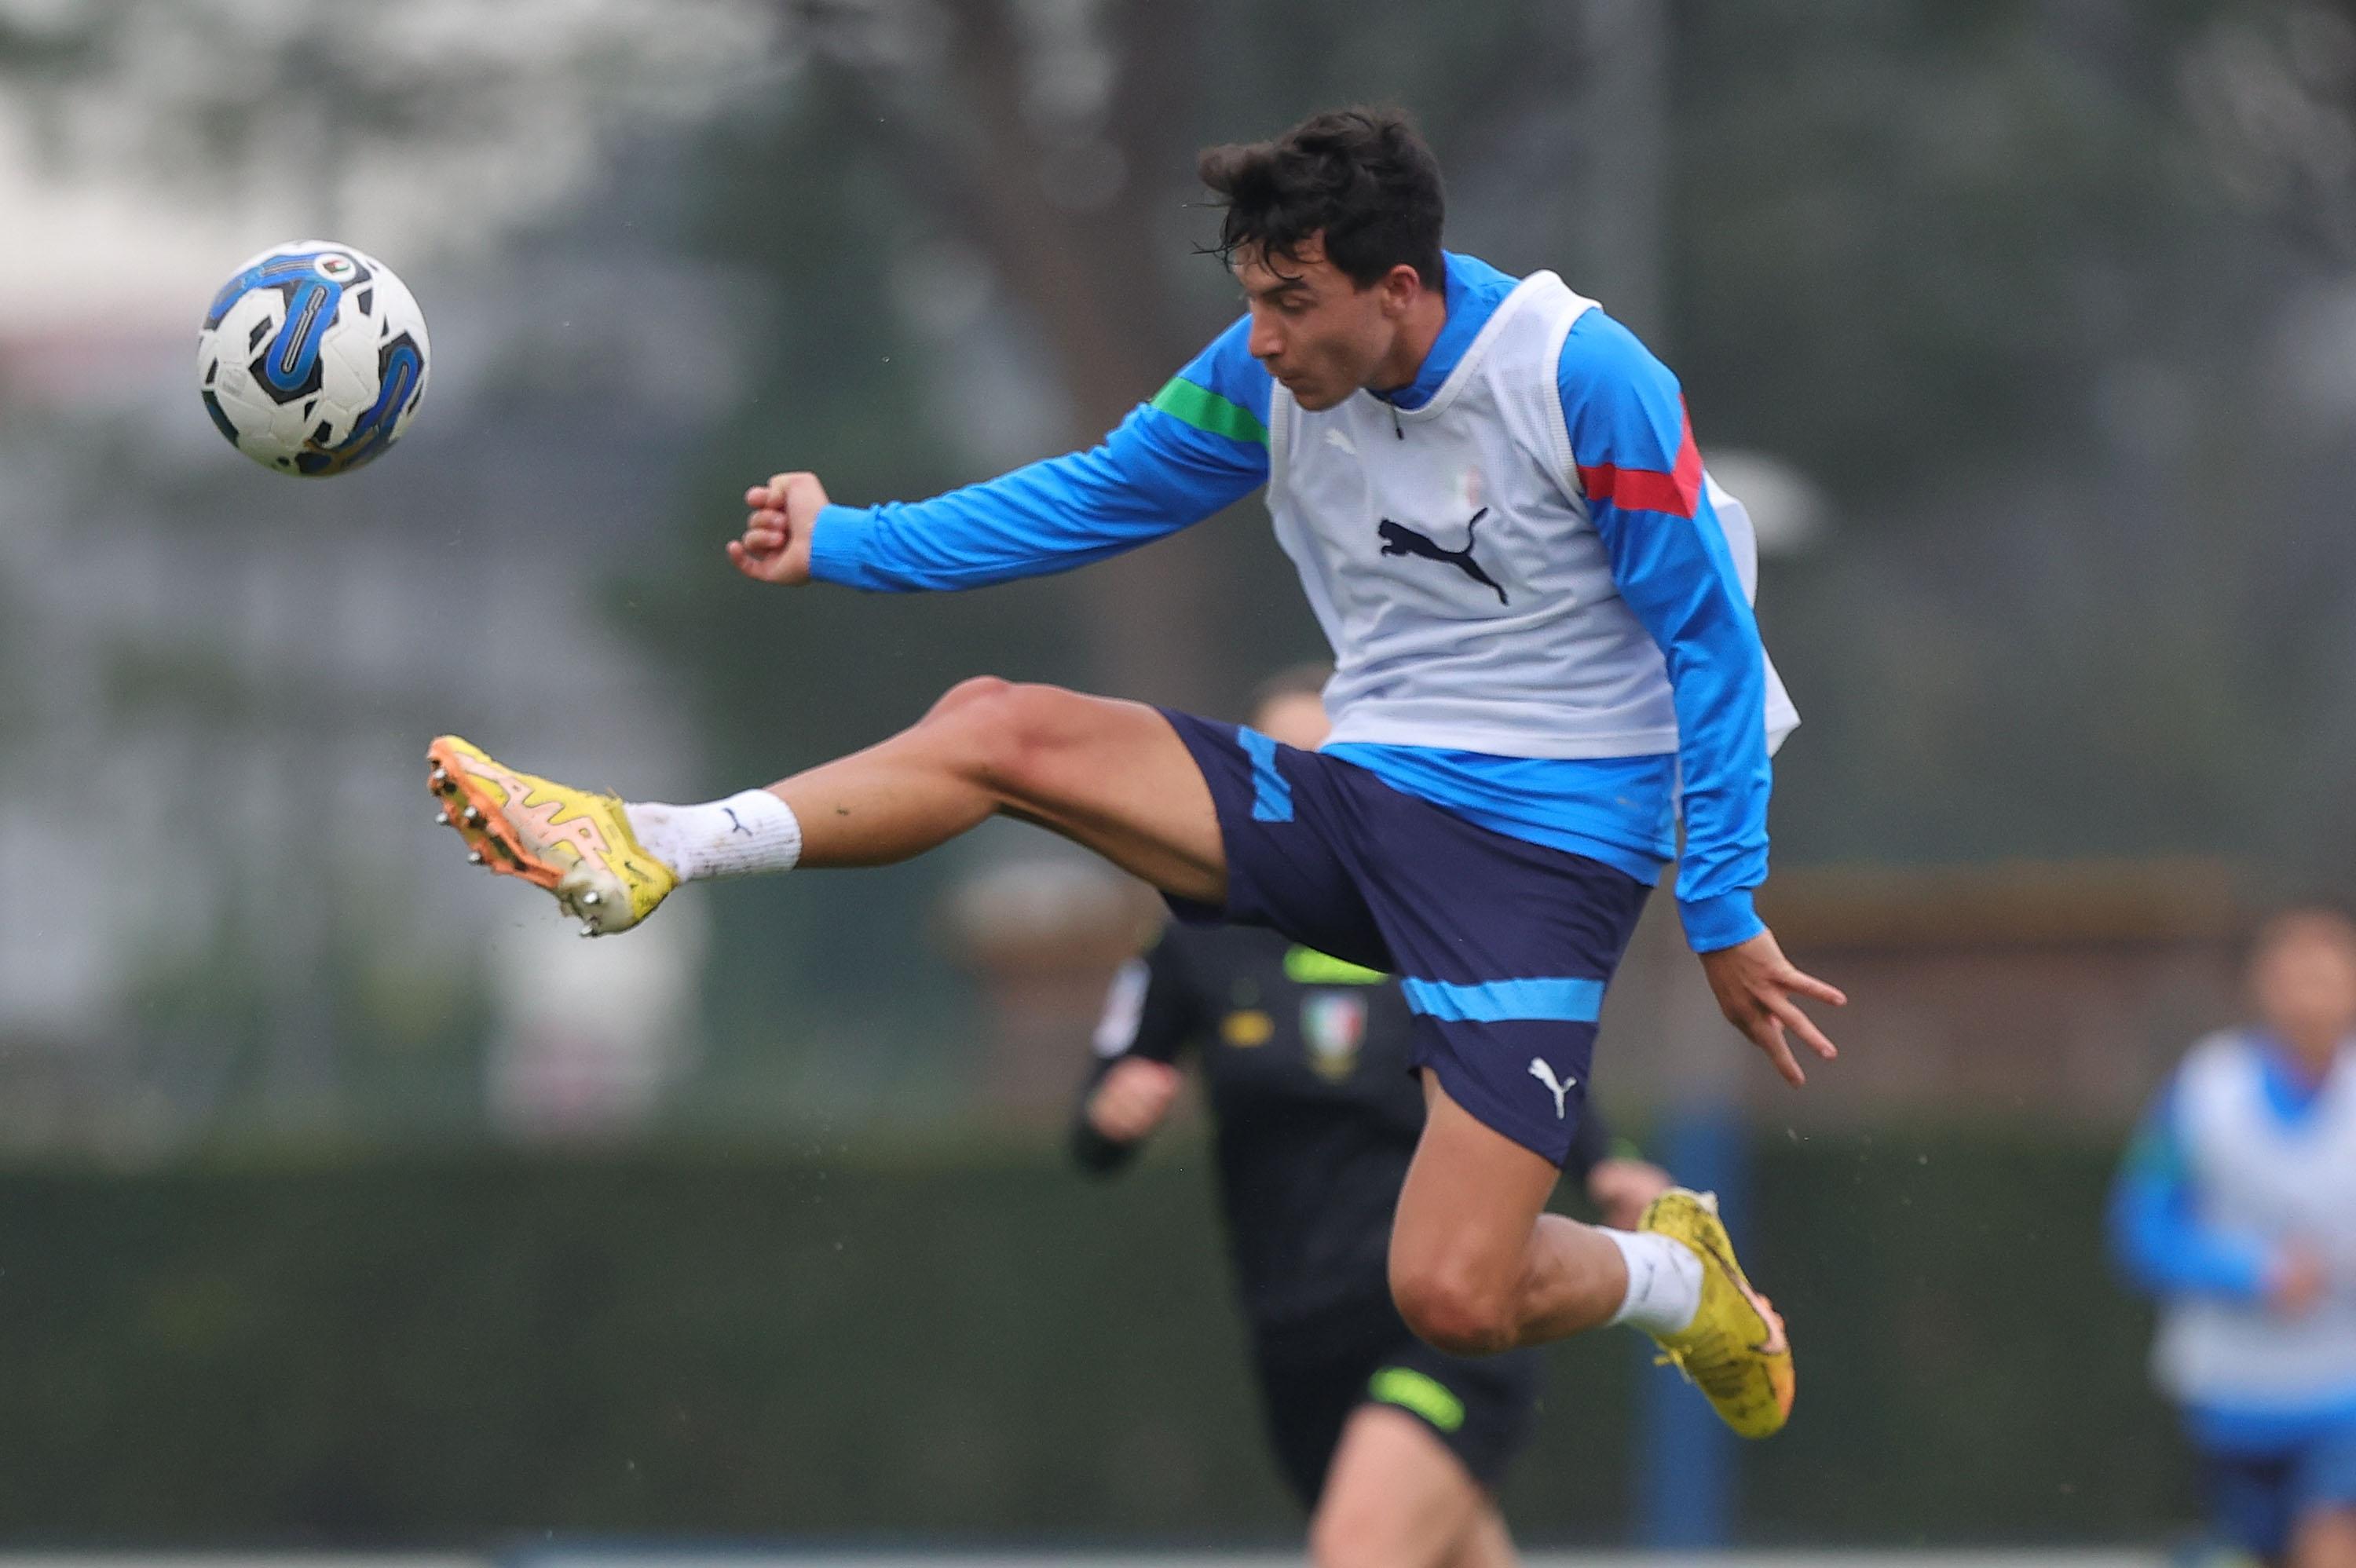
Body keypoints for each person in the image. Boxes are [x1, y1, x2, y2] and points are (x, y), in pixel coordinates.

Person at [423, 104, 1842, 1442]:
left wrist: (1721, 908)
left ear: (1398, 288)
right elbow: (1098, 493)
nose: (1262, 338)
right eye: (1250, 300)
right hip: (1364, 795)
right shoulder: (1261, 375)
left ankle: (1679, 1283)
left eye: (1293, 305)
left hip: (1544, 865)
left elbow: (1707, 640)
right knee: (999, 724)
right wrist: (849, 540)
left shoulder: (1581, 377)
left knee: (1453, 1296)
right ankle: (654, 843)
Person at [1071, 665, 1673, 1568]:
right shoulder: (1195, 941)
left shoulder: (1439, 924)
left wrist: (1611, 1166)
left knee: (1358, 1547)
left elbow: (1530, 1068)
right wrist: (1114, 1108)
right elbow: (1097, 1112)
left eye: (1332, 761)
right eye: (1282, 764)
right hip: (1295, 1336)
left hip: (1441, 1315)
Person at [2111, 907, 2356, 1568]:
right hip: (2229, 1395)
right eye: (2294, 973)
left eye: (2328, 974)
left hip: (2345, 1396)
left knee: (2331, 1542)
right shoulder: (2203, 1090)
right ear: (2261, 984)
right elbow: (2141, 1229)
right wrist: (2253, 1272)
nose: (2312, 992)